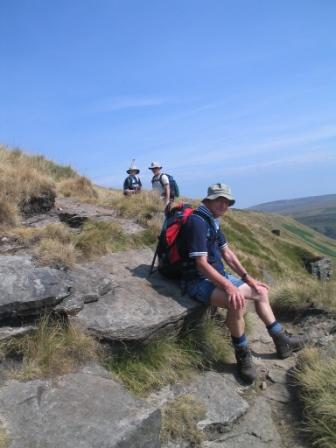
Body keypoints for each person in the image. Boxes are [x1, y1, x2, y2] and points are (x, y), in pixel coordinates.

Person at [180, 183, 307, 383]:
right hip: (196, 280)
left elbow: (227, 254)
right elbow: (201, 264)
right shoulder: (197, 222)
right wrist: (230, 287)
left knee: (260, 292)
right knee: (236, 301)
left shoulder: (212, 220)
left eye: (228, 202)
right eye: (221, 201)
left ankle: (282, 341)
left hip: (217, 276)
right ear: (209, 199)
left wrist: (248, 279)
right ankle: (242, 355)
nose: (225, 206)